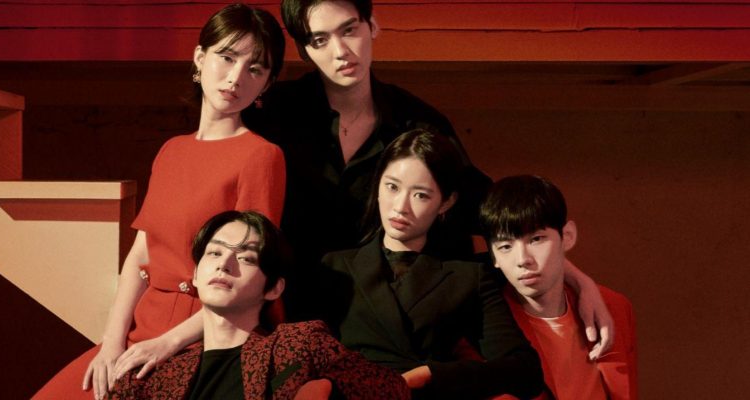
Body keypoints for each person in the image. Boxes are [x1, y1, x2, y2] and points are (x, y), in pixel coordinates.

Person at [242, 1, 614, 356]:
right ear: (304, 49)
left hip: (393, 331)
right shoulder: (273, 113)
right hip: (287, 316)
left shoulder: (418, 124)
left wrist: (574, 278)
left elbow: (491, 212)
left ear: (372, 26)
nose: (340, 51)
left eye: (350, 30)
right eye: (320, 39)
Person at [34, 4, 287, 399]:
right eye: (226, 57)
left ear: (267, 84)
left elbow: (251, 279)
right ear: (199, 58)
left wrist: (167, 344)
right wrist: (111, 342)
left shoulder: (261, 156)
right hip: (142, 325)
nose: (236, 77)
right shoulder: (172, 150)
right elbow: (141, 255)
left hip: (206, 331)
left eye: (255, 69)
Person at [319, 129, 544, 399]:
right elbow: (303, 350)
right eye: (392, 187)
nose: (401, 206)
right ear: (377, 185)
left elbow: (525, 371)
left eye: (421, 195)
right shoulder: (334, 266)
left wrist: (435, 374)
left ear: (446, 202)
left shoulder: (467, 277)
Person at [109, 211, 411, 400]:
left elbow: (392, 390)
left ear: (273, 288)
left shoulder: (299, 345)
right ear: (196, 275)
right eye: (214, 253)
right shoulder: (152, 377)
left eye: (246, 258)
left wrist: (322, 389)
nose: (225, 264)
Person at [479, 175, 637, 400]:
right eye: (505, 246)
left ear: (568, 236)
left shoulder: (615, 307)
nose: (522, 259)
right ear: (493, 256)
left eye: (536, 239)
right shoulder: (485, 329)